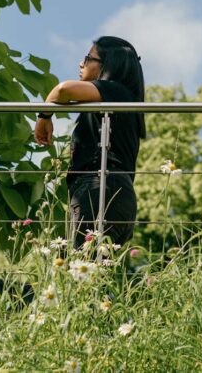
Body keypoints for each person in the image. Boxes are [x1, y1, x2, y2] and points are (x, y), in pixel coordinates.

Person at [34, 36, 144, 248]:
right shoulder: (122, 98)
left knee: (80, 270)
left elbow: (63, 90)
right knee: (92, 273)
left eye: (88, 58)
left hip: (101, 187)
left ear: (108, 64)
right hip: (111, 191)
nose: (81, 63)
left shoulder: (116, 91)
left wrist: (43, 117)